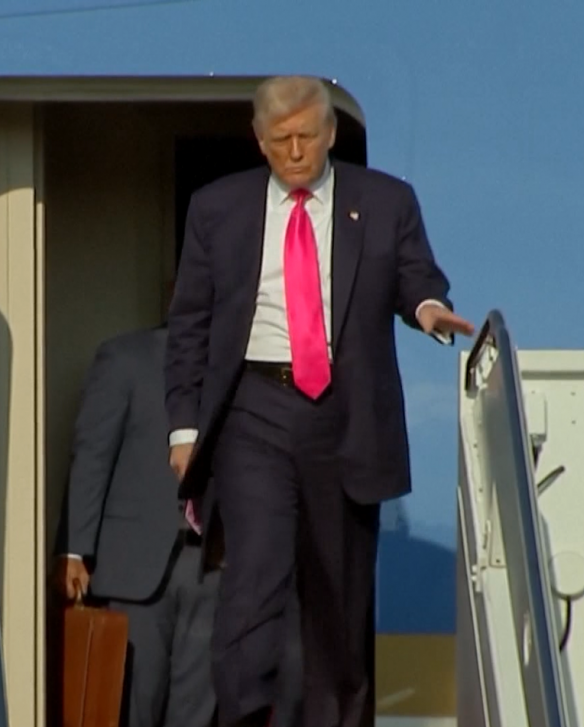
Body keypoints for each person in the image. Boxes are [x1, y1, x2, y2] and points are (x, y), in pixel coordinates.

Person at [164, 76, 475, 727]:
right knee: (255, 576)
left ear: (331, 133)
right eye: (281, 140)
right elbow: (190, 322)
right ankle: (246, 715)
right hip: (253, 408)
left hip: (345, 414)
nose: (296, 151)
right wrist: (184, 430)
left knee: (339, 598)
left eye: (307, 136)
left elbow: (416, 276)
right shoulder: (217, 208)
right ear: (259, 140)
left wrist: (428, 309)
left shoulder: (384, 201)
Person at [56, 321, 221, 727]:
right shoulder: (126, 357)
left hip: (215, 566)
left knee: (199, 713)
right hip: (133, 570)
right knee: (131, 708)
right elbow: (92, 455)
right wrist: (73, 550)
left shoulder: (239, 367)